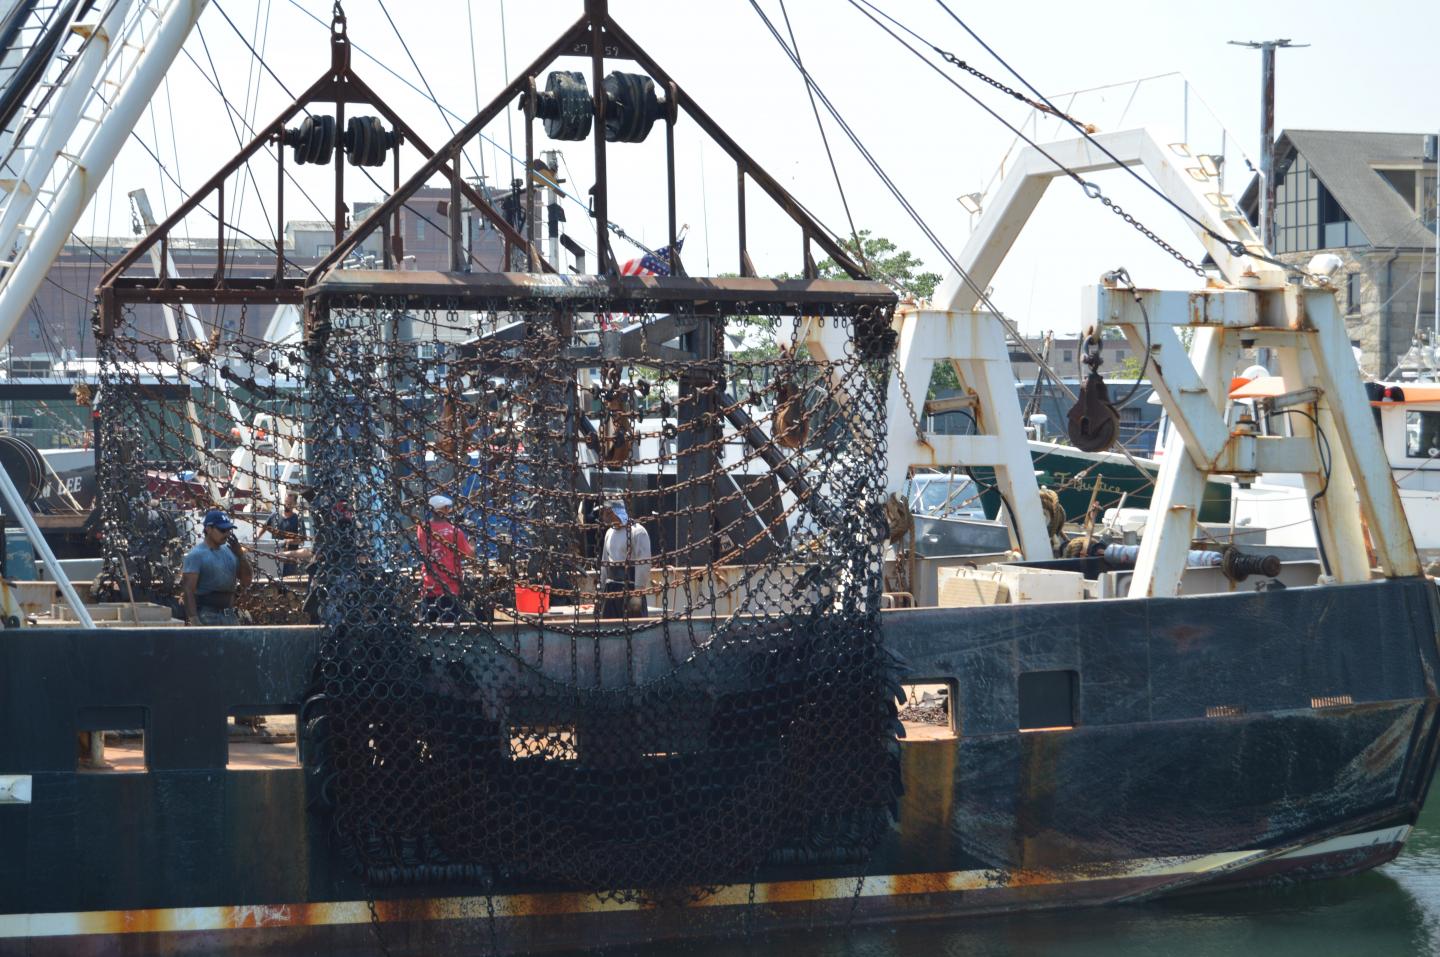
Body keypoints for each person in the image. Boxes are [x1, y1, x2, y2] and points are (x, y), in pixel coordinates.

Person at [181, 509, 252, 626]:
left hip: (229, 614)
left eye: (229, 530)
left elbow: (246, 580)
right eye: (222, 530)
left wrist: (240, 555)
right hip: (207, 615)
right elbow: (188, 591)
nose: (227, 534)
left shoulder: (230, 551)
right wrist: (195, 621)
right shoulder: (196, 555)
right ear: (208, 529)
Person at [416, 493, 474, 622]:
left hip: (429, 588)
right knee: (451, 628)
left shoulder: (421, 528)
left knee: (428, 629)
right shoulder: (455, 532)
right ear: (446, 510)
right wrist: (472, 539)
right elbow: (470, 555)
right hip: (450, 590)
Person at [598, 500, 651, 619]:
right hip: (611, 591)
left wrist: (638, 593)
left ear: (612, 512)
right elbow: (605, 563)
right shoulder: (609, 533)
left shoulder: (637, 532)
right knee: (610, 630)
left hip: (630, 588)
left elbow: (643, 563)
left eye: (605, 511)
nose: (603, 515)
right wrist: (602, 590)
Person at [263, 493, 306, 576]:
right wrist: (255, 539)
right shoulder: (274, 516)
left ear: (295, 504)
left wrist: (289, 541)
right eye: (286, 502)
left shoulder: (298, 519)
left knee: (287, 580)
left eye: (289, 503)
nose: (287, 505)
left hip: (290, 559)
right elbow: (262, 528)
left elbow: (302, 539)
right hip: (275, 554)